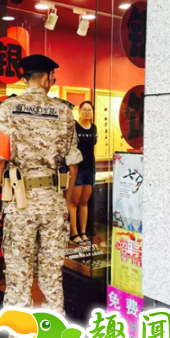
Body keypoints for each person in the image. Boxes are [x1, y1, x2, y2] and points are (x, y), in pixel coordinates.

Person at [0, 54, 83, 338]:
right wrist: (63, 199)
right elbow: (73, 165)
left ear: (24, 76)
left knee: (18, 283)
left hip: (21, 205)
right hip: (53, 204)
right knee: (52, 281)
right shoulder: (64, 111)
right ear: (49, 77)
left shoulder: (8, 108)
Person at [67, 101, 98, 246]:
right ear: (79, 111)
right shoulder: (74, 126)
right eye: (84, 109)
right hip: (77, 168)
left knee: (84, 202)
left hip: (90, 167)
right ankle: (73, 233)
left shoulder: (94, 127)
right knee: (73, 202)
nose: (87, 112)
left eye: (89, 110)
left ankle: (83, 232)